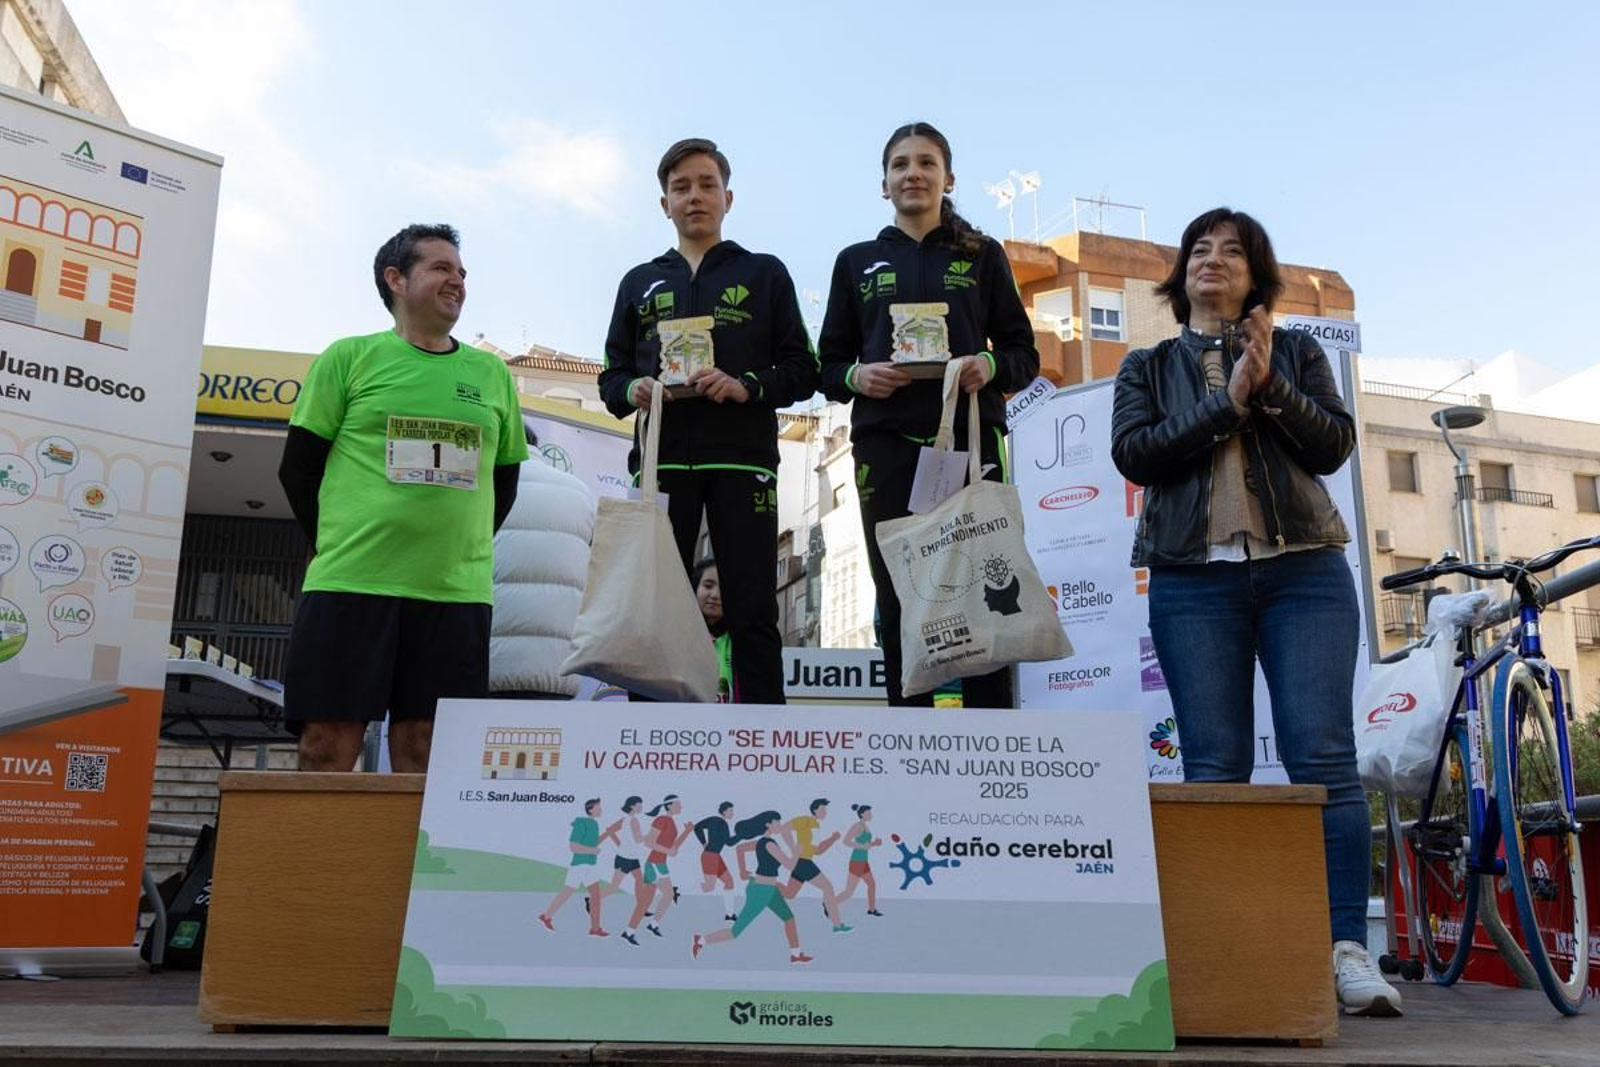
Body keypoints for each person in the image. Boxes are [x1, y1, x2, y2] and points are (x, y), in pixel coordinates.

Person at [1109, 207, 1401, 1017]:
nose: (1213, 259)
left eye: (1232, 251)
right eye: (1200, 249)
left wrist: (1268, 389)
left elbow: (1331, 447)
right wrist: (1226, 406)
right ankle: (1222, 955)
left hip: (1303, 571)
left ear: (1255, 275)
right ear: (1180, 275)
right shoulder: (1147, 365)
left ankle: (1346, 949)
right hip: (1192, 580)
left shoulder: (1300, 350)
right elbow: (1138, 453)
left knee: (1324, 760)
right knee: (1213, 767)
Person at [278, 224, 528, 772]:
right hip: (351, 581)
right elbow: (297, 468)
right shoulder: (349, 358)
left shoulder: (491, 374)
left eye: (462, 272)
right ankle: (320, 862)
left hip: (454, 593)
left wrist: (460, 546)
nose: (457, 281)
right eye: (441, 268)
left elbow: (505, 479)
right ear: (396, 279)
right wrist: (335, 542)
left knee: (426, 751)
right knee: (327, 742)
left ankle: (409, 863)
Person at [818, 122, 1039, 707]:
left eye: (925, 163)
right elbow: (826, 364)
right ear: (883, 184)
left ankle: (990, 731)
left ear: (948, 179)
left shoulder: (983, 255)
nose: (912, 174)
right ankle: (907, 737)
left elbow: (1023, 353)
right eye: (899, 165)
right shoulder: (856, 262)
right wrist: (856, 376)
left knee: (990, 584)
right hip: (885, 445)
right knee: (897, 592)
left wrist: (987, 369)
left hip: (969, 441)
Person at [598, 137, 818, 705]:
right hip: (661, 465)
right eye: (681, 188)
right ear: (664, 203)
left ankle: (764, 741)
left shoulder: (765, 273)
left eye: (706, 185)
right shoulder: (639, 282)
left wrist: (744, 386)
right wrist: (635, 388)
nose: (694, 196)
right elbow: (610, 379)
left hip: (741, 461)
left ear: (728, 197)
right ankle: (651, 739)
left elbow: (802, 370)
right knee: (655, 608)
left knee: (752, 609)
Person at [489, 426, 595, 699]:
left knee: (481, 740)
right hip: (557, 667)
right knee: (542, 741)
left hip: (488, 662)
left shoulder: (485, 484)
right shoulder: (579, 491)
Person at [692, 810, 813, 966]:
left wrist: (743, 871)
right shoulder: (768, 844)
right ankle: (701, 940)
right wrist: (797, 851)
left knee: (789, 918)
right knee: (735, 932)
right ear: (768, 824)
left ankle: (795, 955)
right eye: (777, 822)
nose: (780, 825)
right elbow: (790, 865)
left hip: (770, 888)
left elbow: (739, 849)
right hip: (760, 891)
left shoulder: (763, 842)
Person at [538, 798, 617, 938]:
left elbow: (594, 843)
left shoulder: (594, 824)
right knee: (567, 892)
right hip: (580, 865)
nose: (601, 810)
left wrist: (609, 833)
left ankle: (595, 928)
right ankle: (546, 916)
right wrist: (591, 851)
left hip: (590, 865)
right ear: (591, 809)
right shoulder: (581, 823)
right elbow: (573, 846)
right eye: (598, 808)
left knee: (596, 896)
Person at [621, 793, 693, 946]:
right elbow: (649, 842)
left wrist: (687, 832)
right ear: (669, 805)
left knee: (667, 895)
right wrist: (668, 851)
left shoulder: (672, 822)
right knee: (647, 902)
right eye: (678, 804)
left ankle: (651, 925)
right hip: (653, 863)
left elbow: (672, 848)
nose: (681, 807)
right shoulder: (661, 820)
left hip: (661, 864)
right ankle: (630, 931)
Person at [779, 798, 850, 934]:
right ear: (815, 810)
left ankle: (767, 883)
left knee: (789, 893)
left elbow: (818, 851)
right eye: (822, 809)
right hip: (803, 861)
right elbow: (784, 829)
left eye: (825, 809)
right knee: (828, 888)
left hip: (803, 861)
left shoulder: (816, 826)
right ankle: (837, 925)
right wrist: (793, 847)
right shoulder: (805, 820)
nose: (825, 812)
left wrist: (832, 839)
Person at [691, 559, 735, 702]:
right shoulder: (680, 638)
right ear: (695, 588)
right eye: (708, 586)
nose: (715, 595)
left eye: (724, 587)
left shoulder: (742, 640)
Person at [834, 803, 883, 919]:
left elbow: (865, 845)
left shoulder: (865, 826)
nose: (871, 815)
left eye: (871, 812)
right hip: (857, 862)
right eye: (868, 813)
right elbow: (846, 841)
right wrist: (863, 846)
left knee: (872, 884)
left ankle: (871, 909)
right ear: (862, 814)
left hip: (864, 861)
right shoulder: (858, 826)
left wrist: (874, 844)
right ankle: (829, 904)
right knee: (848, 892)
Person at [693, 800, 740, 921]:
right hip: (710, 857)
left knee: (729, 882)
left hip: (715, 856)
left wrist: (704, 843)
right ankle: (681, 889)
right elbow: (729, 842)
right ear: (724, 812)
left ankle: (729, 915)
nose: (732, 813)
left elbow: (697, 827)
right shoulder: (723, 823)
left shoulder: (713, 819)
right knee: (709, 888)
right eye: (730, 811)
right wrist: (741, 835)